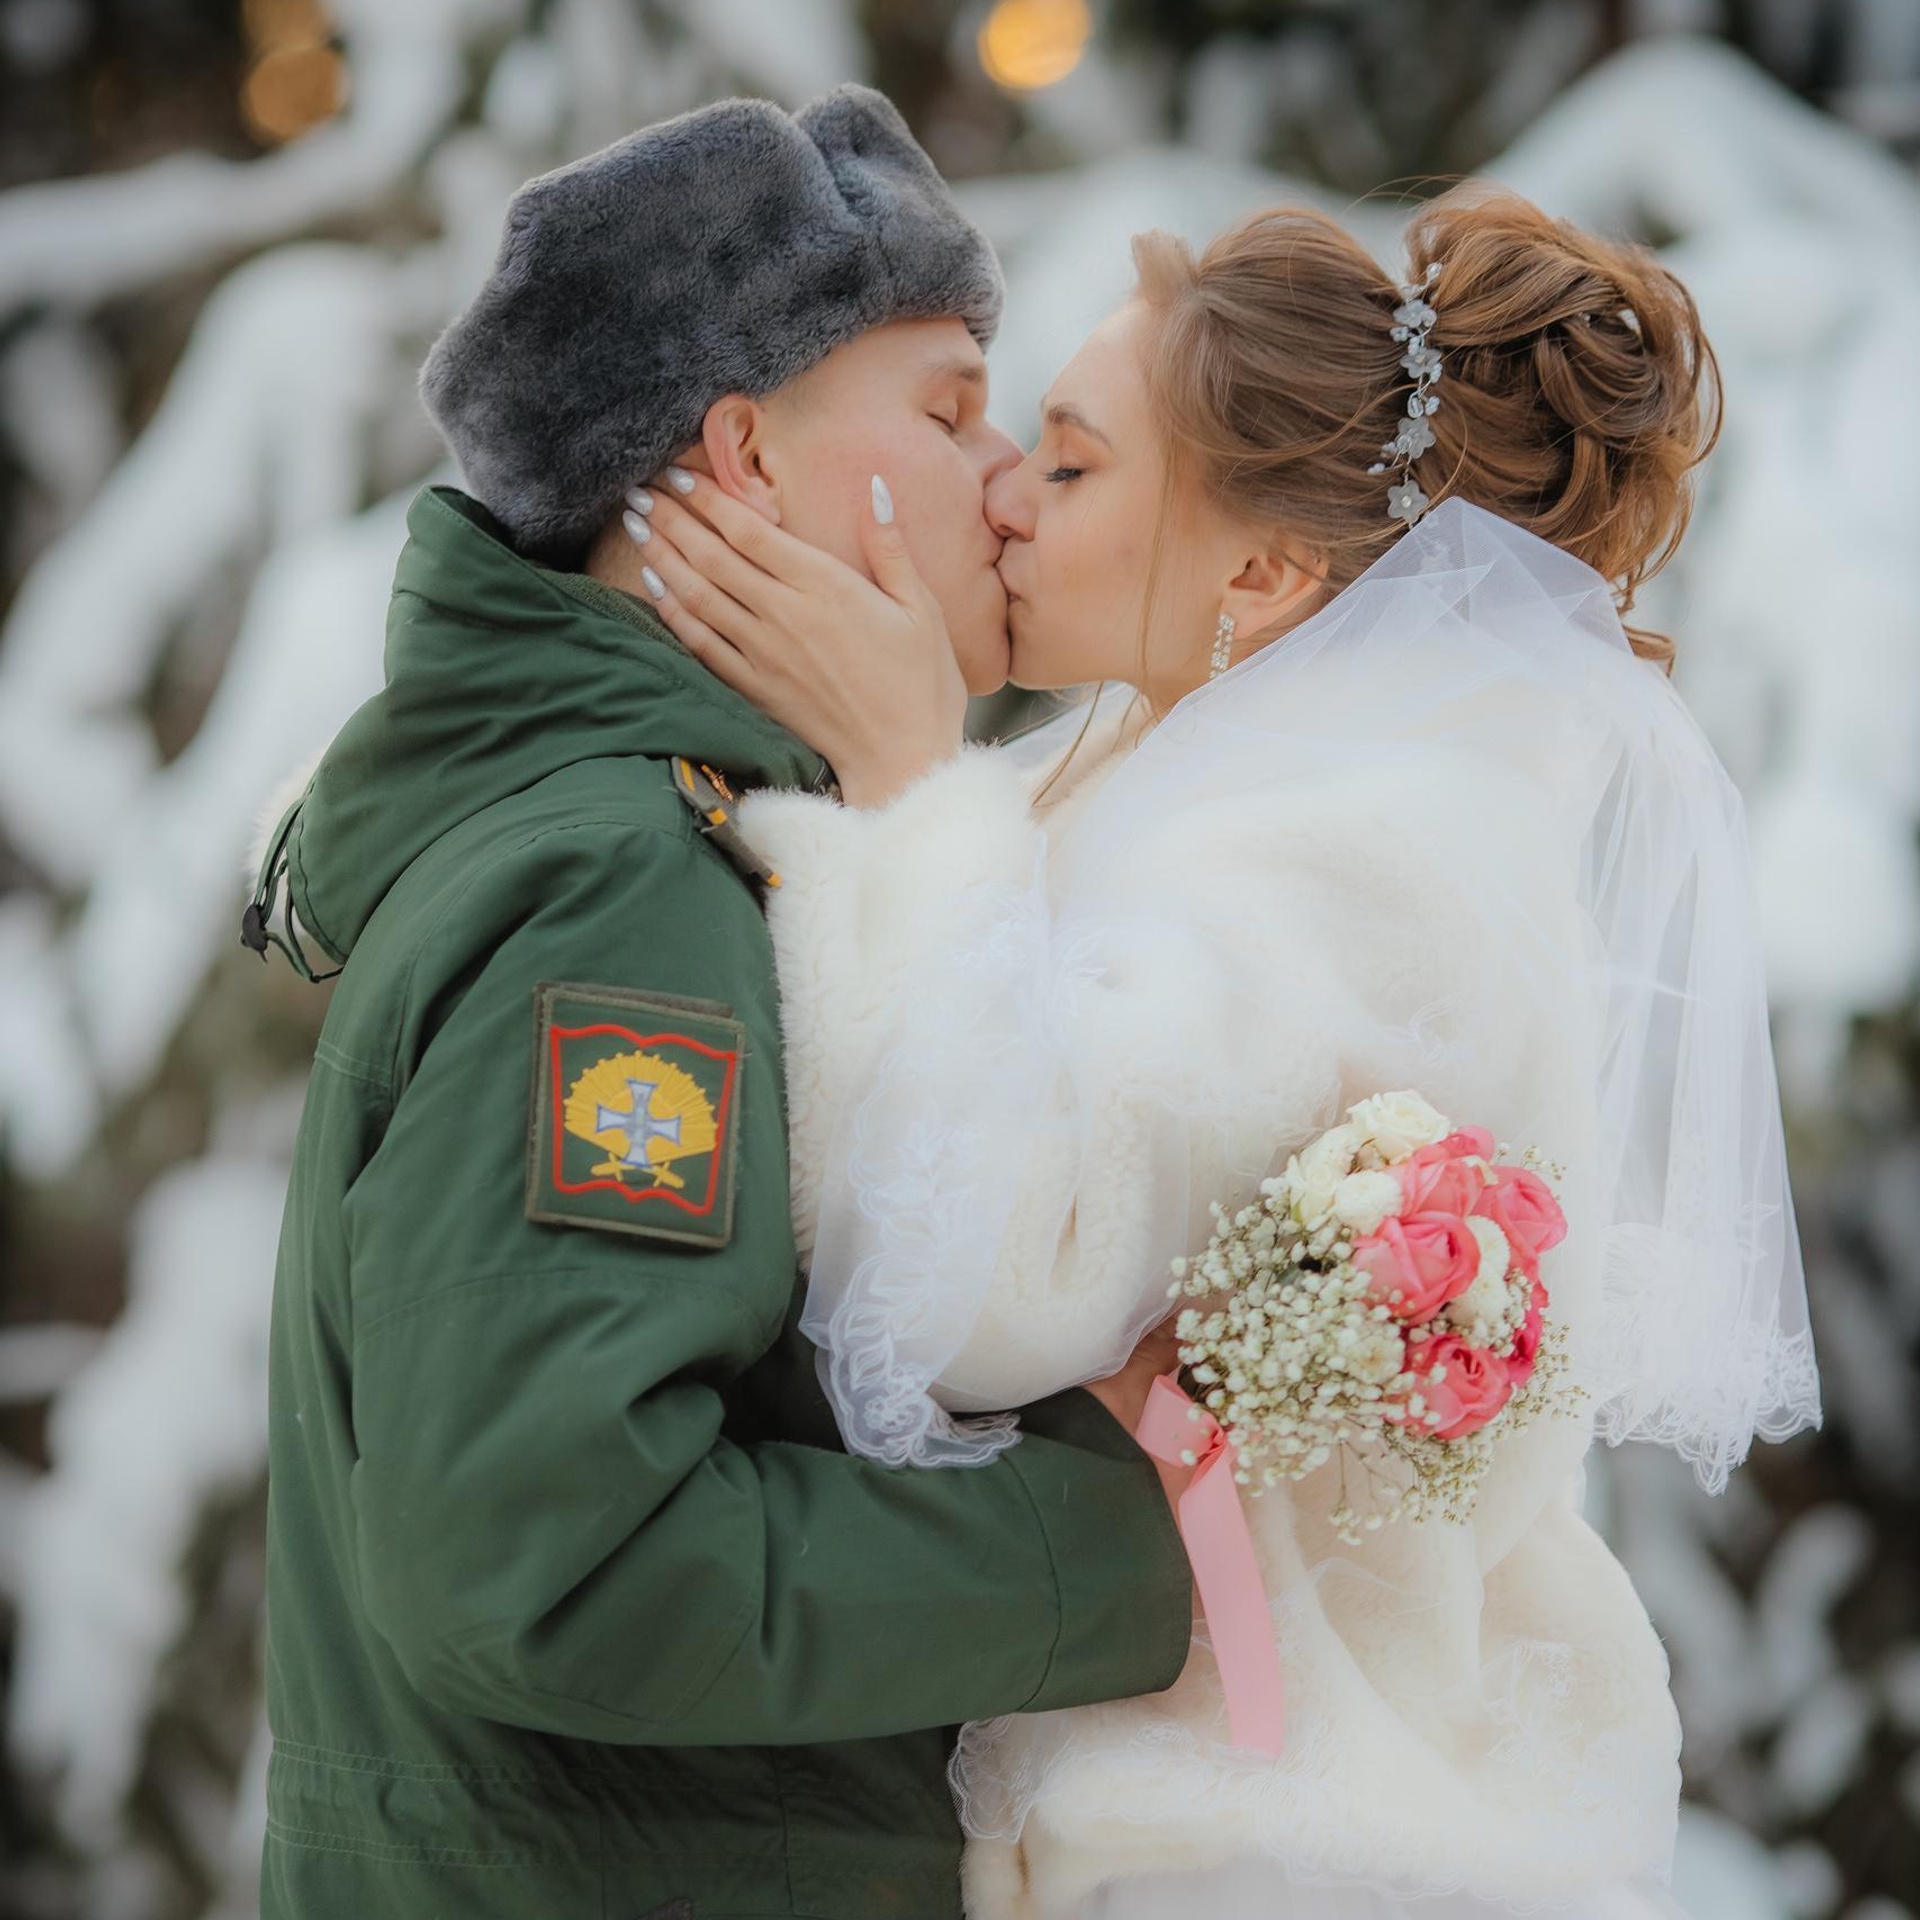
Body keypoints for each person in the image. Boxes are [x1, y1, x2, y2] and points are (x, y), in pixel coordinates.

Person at [621, 185, 1821, 1918]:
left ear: (1260, 571)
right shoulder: (1191, 767)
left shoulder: (1345, 856)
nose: (1004, 503)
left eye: (1076, 464)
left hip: (1277, 1839)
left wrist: (900, 787)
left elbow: (994, 1290)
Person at [242, 85, 1200, 1920]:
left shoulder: (645, 841)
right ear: (749, 463)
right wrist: (1112, 1542)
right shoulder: (621, 890)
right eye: (945, 412)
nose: (1004, 478)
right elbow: (554, 1563)